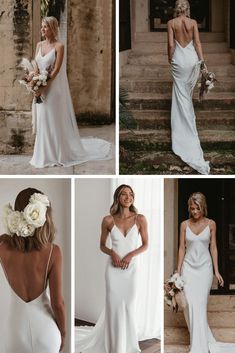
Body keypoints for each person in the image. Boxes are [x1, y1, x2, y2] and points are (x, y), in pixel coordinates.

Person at [30, 16, 113, 168]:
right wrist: (34, 83)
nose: (42, 29)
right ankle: (43, 154)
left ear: (53, 28)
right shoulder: (39, 45)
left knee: (53, 121)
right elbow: (35, 66)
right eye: (41, 26)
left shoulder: (59, 46)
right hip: (40, 88)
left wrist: (44, 86)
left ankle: (59, 154)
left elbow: (55, 71)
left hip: (53, 90)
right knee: (43, 120)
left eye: (45, 27)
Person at [75, 184, 148, 353]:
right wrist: (112, 253)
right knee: (114, 306)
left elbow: (145, 245)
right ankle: (114, 346)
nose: (128, 197)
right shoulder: (108, 220)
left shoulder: (140, 219)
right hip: (113, 270)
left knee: (128, 306)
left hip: (131, 270)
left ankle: (128, 345)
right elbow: (101, 245)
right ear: (117, 198)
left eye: (131, 194)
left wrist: (130, 255)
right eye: (124, 194)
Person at [0, 188, 66, 353]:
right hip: (46, 333)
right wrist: (63, 333)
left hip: (14, 332)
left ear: (16, 214)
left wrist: (6, 236)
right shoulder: (53, 251)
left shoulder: (2, 247)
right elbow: (58, 304)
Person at [177, 192, 235, 353]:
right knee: (188, 304)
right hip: (188, 268)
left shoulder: (211, 224)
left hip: (204, 270)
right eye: (192, 208)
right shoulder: (184, 225)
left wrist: (216, 271)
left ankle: (198, 346)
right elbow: (181, 248)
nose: (194, 212)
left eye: (197, 208)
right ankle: (197, 339)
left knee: (200, 305)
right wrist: (178, 271)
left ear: (203, 208)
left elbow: (213, 247)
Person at [167, 0, 210, 174]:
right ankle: (189, 128)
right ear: (188, 9)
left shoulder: (171, 23)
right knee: (186, 95)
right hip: (192, 59)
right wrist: (202, 64)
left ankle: (183, 131)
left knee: (180, 95)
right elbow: (198, 43)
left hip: (178, 60)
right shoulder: (193, 23)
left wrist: (170, 59)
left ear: (177, 9)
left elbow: (171, 45)